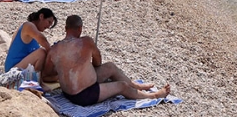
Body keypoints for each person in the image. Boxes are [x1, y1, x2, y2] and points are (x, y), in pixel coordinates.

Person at [42, 15, 170, 107]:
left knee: (110, 67)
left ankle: (136, 86)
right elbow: (97, 62)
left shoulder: (54, 49)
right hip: (84, 95)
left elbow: (46, 75)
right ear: (80, 28)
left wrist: (66, 73)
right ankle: (154, 96)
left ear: (65, 28)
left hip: (67, 92)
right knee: (121, 86)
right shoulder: (86, 42)